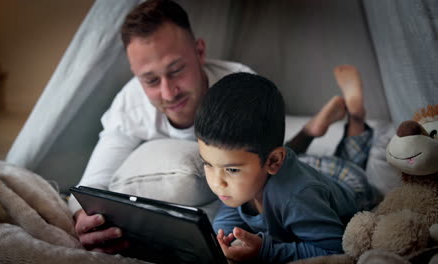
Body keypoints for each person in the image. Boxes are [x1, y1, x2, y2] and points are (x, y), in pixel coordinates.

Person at [69, 0, 373, 255]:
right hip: (271, 170)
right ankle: (314, 129)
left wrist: (266, 251)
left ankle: (347, 123)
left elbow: (328, 243)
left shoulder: (237, 84)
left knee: (338, 168)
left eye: (176, 70)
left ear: (200, 53)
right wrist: (84, 216)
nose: (168, 92)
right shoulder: (129, 107)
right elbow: (91, 184)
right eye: (150, 80)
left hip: (327, 179)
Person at [194, 71, 377, 263]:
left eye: (231, 169)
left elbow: (333, 249)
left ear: (274, 162)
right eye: (207, 163)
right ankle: (309, 131)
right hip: (298, 165)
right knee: (269, 151)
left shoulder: (297, 198)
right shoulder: (236, 185)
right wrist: (224, 237)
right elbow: (230, 210)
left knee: (351, 161)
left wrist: (265, 250)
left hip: (344, 180)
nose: (216, 182)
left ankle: (356, 117)